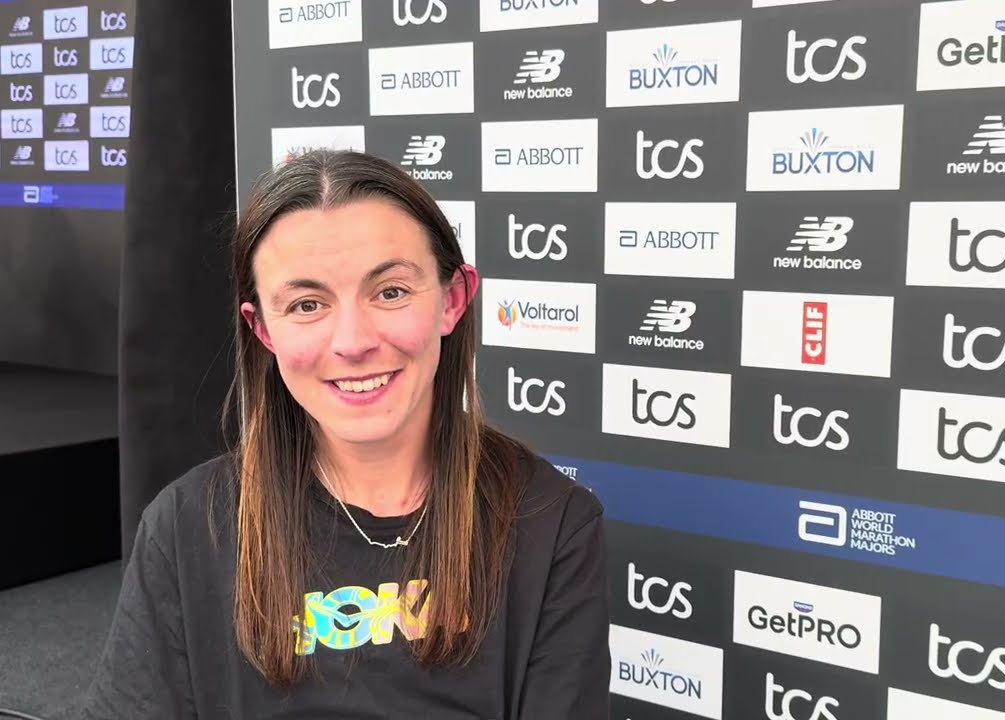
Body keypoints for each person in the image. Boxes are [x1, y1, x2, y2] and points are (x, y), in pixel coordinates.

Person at [80, 149, 612, 718]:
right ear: (263, 329)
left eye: (391, 292)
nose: (353, 342)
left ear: (453, 300)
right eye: (307, 304)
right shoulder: (185, 527)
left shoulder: (553, 523)